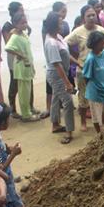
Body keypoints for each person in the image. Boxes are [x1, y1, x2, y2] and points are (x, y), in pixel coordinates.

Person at [67, 6, 104, 132]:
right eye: (88, 16)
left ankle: (103, 120)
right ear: (83, 18)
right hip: (83, 70)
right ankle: (83, 122)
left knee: (103, 96)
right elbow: (65, 45)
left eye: (93, 15)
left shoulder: (101, 30)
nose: (92, 17)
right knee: (83, 98)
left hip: (100, 70)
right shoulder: (78, 31)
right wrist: (76, 60)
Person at [43, 12, 75, 144]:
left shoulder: (58, 37)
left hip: (61, 72)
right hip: (57, 75)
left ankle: (55, 124)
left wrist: (76, 62)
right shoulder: (51, 42)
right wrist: (67, 83)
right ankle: (69, 131)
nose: (62, 25)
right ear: (54, 25)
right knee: (68, 101)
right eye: (60, 23)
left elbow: (65, 55)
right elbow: (57, 64)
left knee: (56, 98)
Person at [4, 12, 40, 121]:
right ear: (15, 24)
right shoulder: (15, 36)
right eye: (22, 23)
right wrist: (20, 55)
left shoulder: (22, 34)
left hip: (27, 65)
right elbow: (8, 48)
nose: (25, 25)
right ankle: (26, 115)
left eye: (26, 22)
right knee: (24, 92)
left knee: (27, 90)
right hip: (22, 67)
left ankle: (28, 110)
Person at [82, 30, 104, 134]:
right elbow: (86, 77)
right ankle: (99, 134)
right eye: (102, 42)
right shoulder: (90, 59)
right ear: (95, 44)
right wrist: (94, 88)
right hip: (95, 92)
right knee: (96, 116)